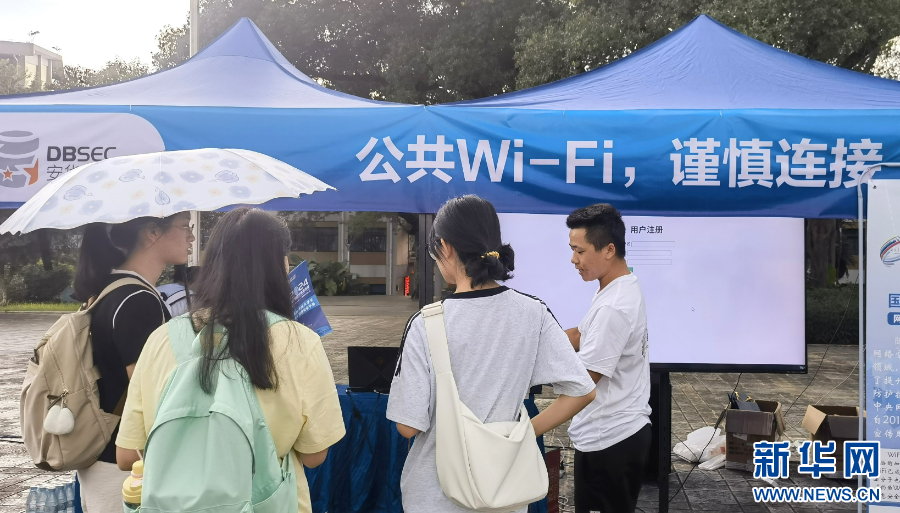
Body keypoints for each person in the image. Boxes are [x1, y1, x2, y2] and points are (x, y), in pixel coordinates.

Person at [115, 207, 345, 512]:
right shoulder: (300, 342)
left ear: (213, 264)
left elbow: (127, 454)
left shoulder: (161, 340)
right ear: (280, 265)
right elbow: (315, 455)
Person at [387, 195, 597, 513]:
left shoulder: (426, 323)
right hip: (504, 490)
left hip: (436, 494)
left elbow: (408, 426)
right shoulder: (533, 312)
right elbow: (582, 390)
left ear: (445, 247)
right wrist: (524, 432)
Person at [71, 212, 194, 513]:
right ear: (152, 232)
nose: (191, 236)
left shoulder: (111, 288)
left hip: (106, 459)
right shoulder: (137, 300)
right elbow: (149, 393)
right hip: (127, 467)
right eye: (184, 227)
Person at [564, 203, 652, 513]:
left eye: (580, 251)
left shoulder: (613, 307)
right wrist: (538, 342)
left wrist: (527, 430)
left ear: (609, 249)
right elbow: (582, 333)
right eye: (573, 250)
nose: (574, 260)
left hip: (609, 440)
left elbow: (583, 387)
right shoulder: (617, 285)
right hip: (615, 433)